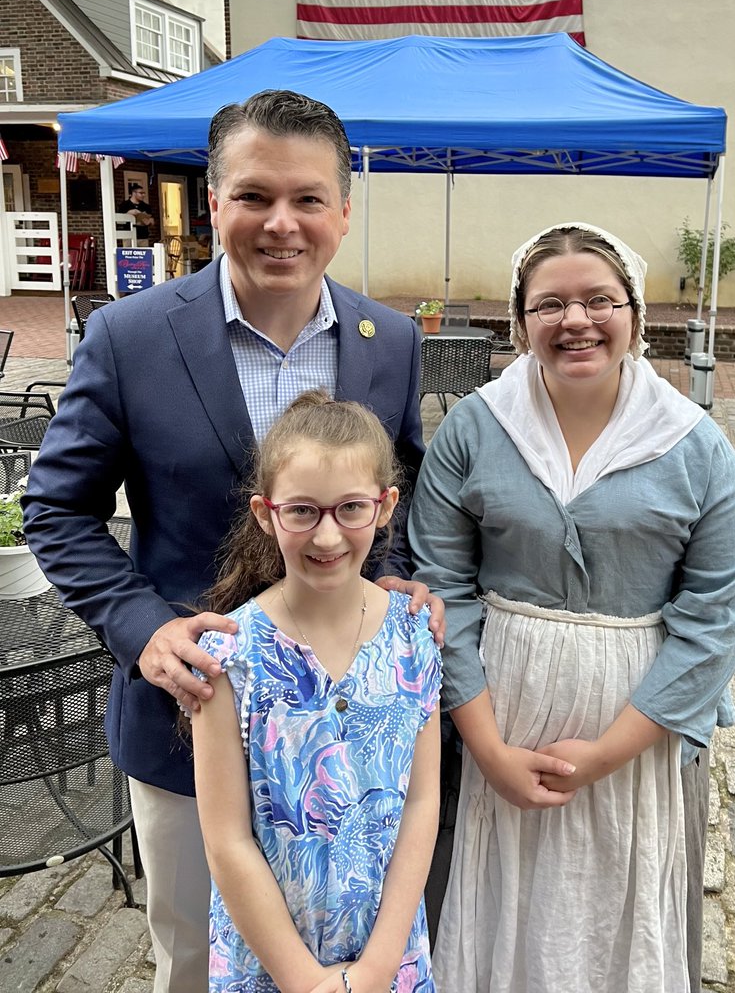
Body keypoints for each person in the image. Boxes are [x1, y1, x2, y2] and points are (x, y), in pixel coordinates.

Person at [23, 90, 444, 993]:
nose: (280, 224)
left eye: (307, 199)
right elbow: (56, 510)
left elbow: (392, 499)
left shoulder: (391, 341)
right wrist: (142, 630)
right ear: (215, 202)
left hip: (350, 741)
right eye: (254, 196)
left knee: (350, 948)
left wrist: (401, 575)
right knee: (197, 965)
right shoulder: (129, 337)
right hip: (190, 722)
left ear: (342, 210)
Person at [409, 222, 735, 993]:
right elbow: (443, 590)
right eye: (550, 304)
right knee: (501, 913)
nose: (576, 321)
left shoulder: (695, 446)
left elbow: (713, 618)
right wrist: (490, 751)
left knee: (619, 923)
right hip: (502, 719)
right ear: (520, 319)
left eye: (600, 299)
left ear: (634, 313)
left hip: (634, 738)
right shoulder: (475, 429)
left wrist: (608, 752)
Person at [192, 391, 441, 992]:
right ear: (264, 512)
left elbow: (421, 802)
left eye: (350, 508)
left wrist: (380, 966)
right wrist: (306, 981)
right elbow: (227, 840)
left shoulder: (414, 638)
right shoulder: (229, 659)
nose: (328, 536)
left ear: (385, 507)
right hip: (270, 964)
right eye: (302, 511)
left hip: (390, 956)